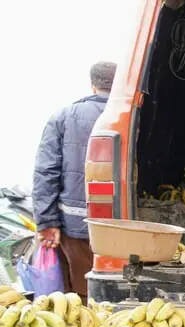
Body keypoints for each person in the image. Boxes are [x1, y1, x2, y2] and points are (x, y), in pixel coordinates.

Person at [32, 61, 117, 299]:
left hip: (75, 226)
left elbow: (46, 171)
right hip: (124, 228)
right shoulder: (130, 118)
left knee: (80, 295)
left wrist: (46, 221)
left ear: (92, 86)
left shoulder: (64, 116)